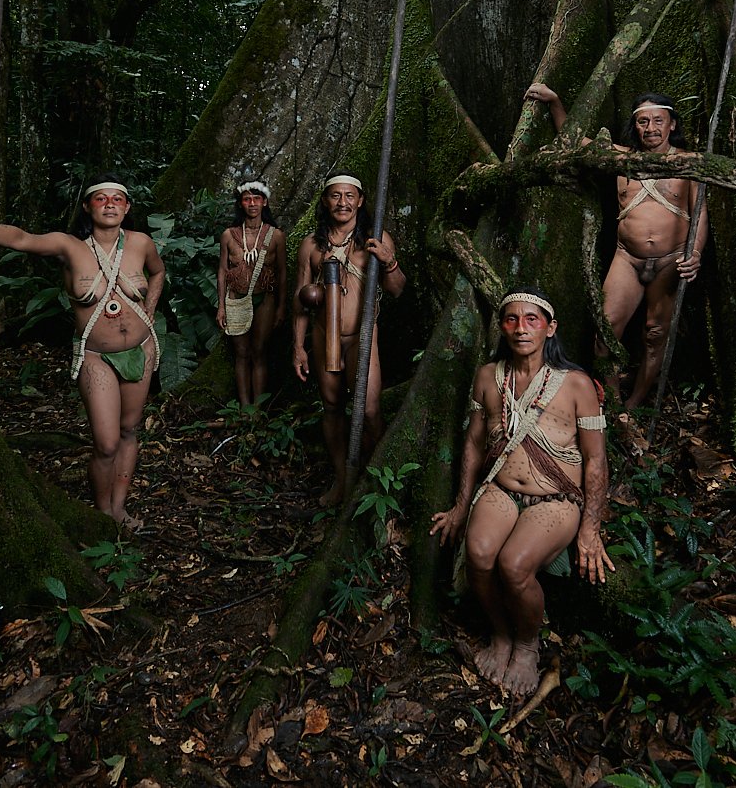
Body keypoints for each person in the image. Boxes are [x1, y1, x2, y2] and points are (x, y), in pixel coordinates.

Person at [429, 287, 613, 698]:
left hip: (557, 498)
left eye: (532, 319)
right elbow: (475, 444)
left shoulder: (577, 384)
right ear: (502, 327)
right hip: (501, 489)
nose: (521, 328)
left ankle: (527, 646)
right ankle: (500, 635)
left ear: (551, 328)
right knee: (479, 556)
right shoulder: (488, 377)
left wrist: (590, 529)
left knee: (513, 566)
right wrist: (461, 506)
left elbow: (596, 461)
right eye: (512, 319)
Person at [0, 178, 164, 529]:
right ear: (88, 207)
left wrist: (151, 308)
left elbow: (157, 273)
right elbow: (22, 239)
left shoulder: (142, 243)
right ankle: (102, 515)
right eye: (101, 199)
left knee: (129, 431)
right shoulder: (69, 247)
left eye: (118, 199)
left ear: (127, 208)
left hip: (140, 350)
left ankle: (119, 507)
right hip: (96, 356)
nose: (110, 204)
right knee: (107, 442)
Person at [526, 83, 707, 412]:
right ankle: (609, 400)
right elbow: (571, 141)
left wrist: (694, 254)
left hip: (669, 260)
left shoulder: (689, 162)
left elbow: (700, 213)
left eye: (657, 120)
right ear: (635, 126)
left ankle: (634, 403)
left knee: (655, 333)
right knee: (606, 331)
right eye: (643, 122)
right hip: (628, 258)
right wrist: (555, 101)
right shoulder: (619, 158)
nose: (650, 128)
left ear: (672, 124)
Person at [291, 173, 407, 505]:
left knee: (369, 409)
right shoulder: (312, 246)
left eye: (349, 196)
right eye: (335, 196)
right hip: (324, 335)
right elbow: (300, 301)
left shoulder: (375, 239)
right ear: (325, 201)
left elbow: (397, 289)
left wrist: (388, 261)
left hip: (362, 337)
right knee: (331, 408)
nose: (342, 202)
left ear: (360, 201)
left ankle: (377, 477)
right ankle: (342, 480)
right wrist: (298, 347)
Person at [216, 180, 286, 408]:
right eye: (247, 199)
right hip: (236, 300)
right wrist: (221, 307)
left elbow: (283, 273)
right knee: (242, 353)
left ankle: (258, 408)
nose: (252, 203)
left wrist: (281, 307)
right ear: (241, 203)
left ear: (264, 202)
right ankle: (244, 407)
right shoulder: (229, 235)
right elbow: (222, 272)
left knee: (259, 351)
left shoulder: (275, 236)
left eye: (257, 199)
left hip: (265, 299)